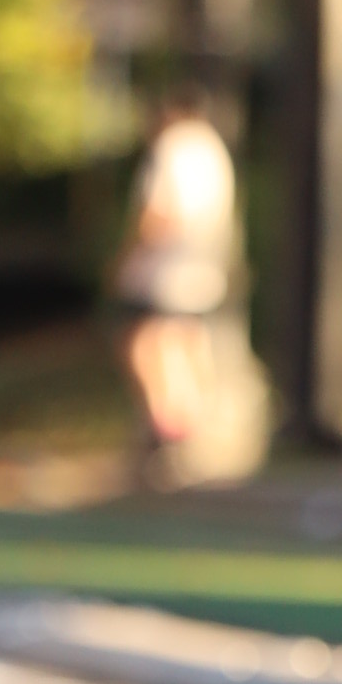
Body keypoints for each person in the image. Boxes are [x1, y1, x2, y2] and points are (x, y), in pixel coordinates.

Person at [113, 93, 245, 472]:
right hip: (203, 266)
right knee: (187, 341)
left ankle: (168, 429)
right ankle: (194, 427)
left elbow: (160, 212)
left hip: (166, 269)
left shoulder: (173, 147)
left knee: (147, 344)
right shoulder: (212, 148)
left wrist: (128, 256)